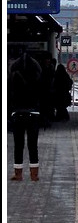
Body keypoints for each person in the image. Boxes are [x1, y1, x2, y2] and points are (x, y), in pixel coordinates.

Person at [8, 50, 43, 182]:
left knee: (18, 145)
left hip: (17, 114)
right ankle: (34, 174)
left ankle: (18, 174)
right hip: (33, 114)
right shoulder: (37, 76)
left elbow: (8, 96)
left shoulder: (12, 77)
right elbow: (43, 95)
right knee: (33, 145)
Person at [39, 55, 57, 127]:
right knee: (45, 107)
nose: (48, 61)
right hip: (44, 91)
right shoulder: (44, 68)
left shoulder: (49, 68)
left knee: (48, 107)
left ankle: (47, 120)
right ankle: (45, 120)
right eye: (47, 60)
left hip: (48, 91)